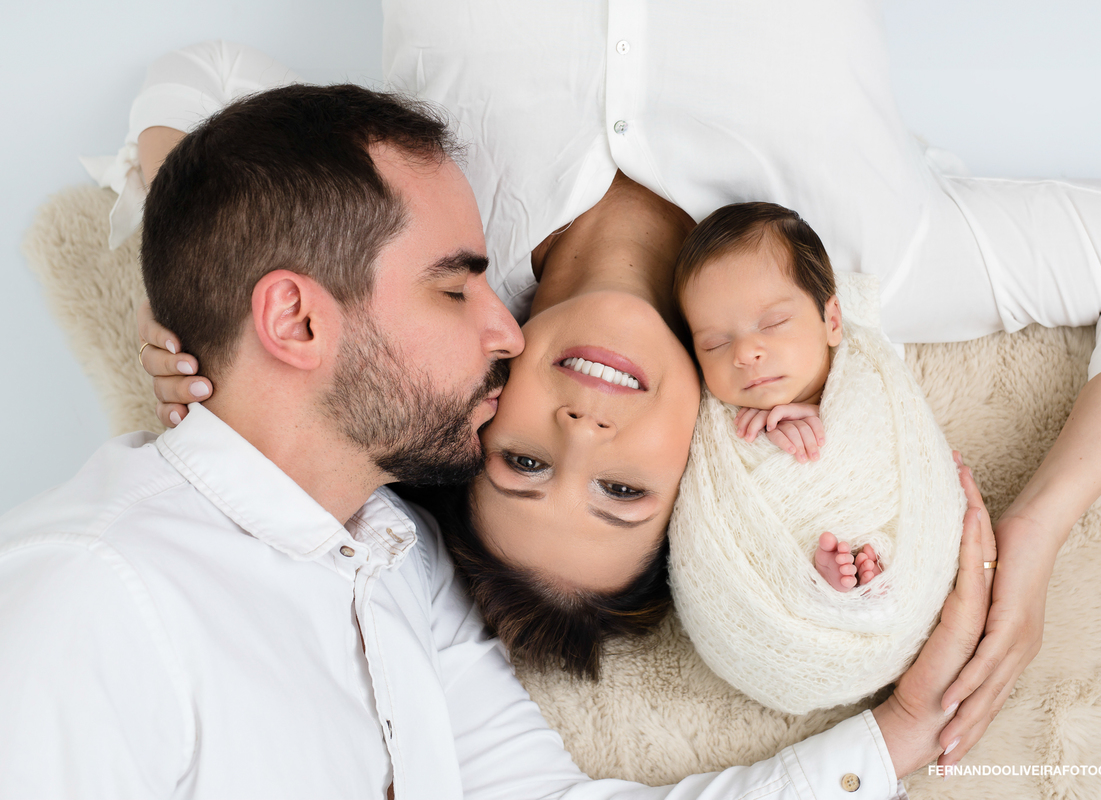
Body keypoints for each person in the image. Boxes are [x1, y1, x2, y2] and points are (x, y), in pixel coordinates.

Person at [128, 0, 1101, 768]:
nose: (585, 426)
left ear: (487, 407)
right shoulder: (858, 268)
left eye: (529, 461)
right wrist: (1037, 531)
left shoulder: (423, 223)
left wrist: (174, 264)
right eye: (621, 491)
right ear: (697, 470)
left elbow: (202, 79)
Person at [4, 79, 993, 800]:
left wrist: (899, 732)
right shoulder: (90, 594)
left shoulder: (396, 564)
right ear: (298, 324)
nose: (506, 330)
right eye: (454, 286)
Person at [667, 201, 968, 716]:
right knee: (816, 548)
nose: (745, 353)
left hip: (876, 531)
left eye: (774, 322)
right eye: (715, 343)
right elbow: (709, 491)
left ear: (832, 319)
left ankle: (864, 580)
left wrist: (816, 413)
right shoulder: (723, 419)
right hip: (760, 605)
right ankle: (830, 580)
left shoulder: (865, 377)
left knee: (873, 536)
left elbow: (896, 442)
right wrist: (762, 436)